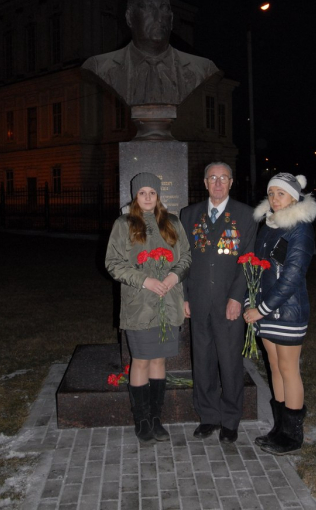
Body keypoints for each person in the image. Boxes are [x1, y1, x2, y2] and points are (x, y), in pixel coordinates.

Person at [105, 172, 191, 443]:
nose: (147, 197)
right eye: (142, 193)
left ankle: (156, 418)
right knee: (141, 360)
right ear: (135, 195)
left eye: (152, 193)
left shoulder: (172, 222)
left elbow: (186, 257)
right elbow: (113, 263)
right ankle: (141, 419)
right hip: (139, 305)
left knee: (159, 360)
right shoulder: (124, 224)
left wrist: (173, 276)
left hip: (168, 301)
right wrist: (145, 280)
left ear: (158, 195)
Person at [180, 162, 257, 443]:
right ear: (204, 182)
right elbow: (183, 259)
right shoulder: (189, 215)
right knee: (202, 361)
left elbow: (247, 260)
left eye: (223, 178)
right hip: (198, 300)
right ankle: (208, 416)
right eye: (212, 178)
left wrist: (237, 297)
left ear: (231, 182)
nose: (218, 183)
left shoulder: (246, 215)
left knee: (230, 361)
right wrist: (184, 296)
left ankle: (230, 419)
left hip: (228, 302)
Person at [244, 172, 316, 455]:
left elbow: (292, 277)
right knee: (274, 368)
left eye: (281, 193)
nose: (275, 199)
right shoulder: (269, 225)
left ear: (294, 197)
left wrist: (262, 309)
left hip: (287, 312)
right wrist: (250, 300)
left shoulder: (300, 229)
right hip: (264, 311)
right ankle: (280, 428)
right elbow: (257, 267)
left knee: (289, 370)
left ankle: (292, 435)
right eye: (271, 193)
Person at [82, 0, 218, 106]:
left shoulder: (204, 69)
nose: (158, 17)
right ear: (129, 18)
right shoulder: (98, 67)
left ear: (171, 19)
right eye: (148, 8)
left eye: (164, 8)